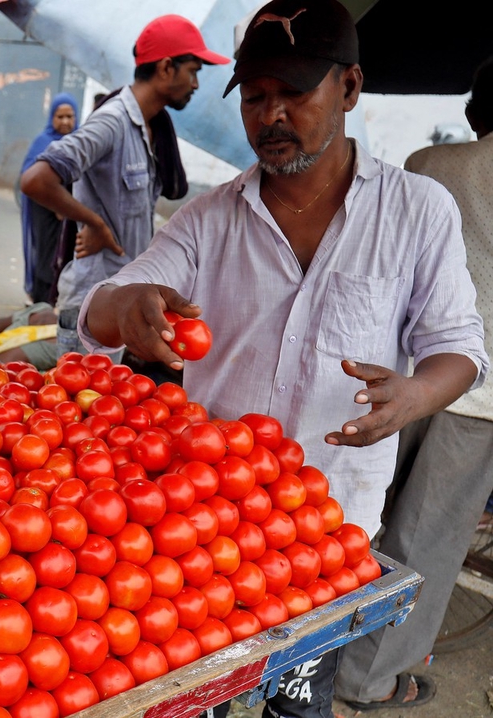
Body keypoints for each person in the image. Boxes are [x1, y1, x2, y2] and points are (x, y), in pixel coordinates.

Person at [79, 1, 488, 716]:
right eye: (257, 97)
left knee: (298, 704)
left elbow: (458, 348)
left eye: (294, 93)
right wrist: (132, 307)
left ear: (350, 88)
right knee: (192, 696)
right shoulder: (210, 219)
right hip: (199, 523)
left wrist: (415, 397)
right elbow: (105, 301)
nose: (271, 115)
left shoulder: (419, 210)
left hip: (325, 531)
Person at [332, 55, 493, 713]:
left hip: (398, 376)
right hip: (478, 395)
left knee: (356, 516)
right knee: (425, 539)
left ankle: (306, 645)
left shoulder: (433, 164)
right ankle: (367, 679)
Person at [19, 14, 229, 358]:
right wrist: (94, 222)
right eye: (192, 71)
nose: (195, 84)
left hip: (120, 303)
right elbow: (36, 179)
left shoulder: (148, 128)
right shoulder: (113, 121)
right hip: (93, 306)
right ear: (165, 68)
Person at [20, 93, 78, 304]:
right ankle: (42, 302)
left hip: (71, 213)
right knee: (47, 254)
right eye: (60, 116)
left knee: (67, 257)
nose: (65, 122)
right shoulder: (42, 142)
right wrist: (55, 203)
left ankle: (58, 301)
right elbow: (28, 177)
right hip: (45, 211)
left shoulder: (81, 141)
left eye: (69, 116)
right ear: (52, 118)